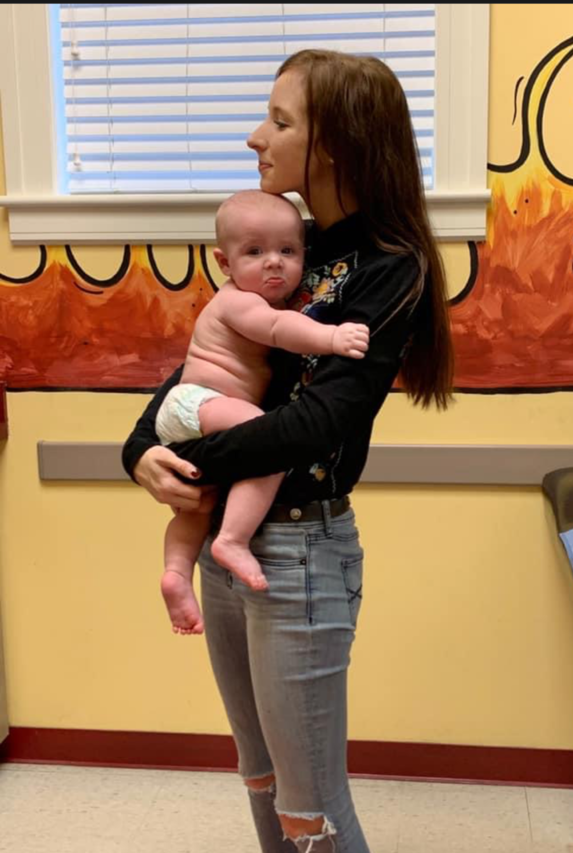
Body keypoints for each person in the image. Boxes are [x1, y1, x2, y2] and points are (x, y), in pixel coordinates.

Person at [123, 49, 453, 853]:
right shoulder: (285, 243)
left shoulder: (389, 270)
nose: (254, 138)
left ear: (333, 143)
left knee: (311, 810)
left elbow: (316, 423)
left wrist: (194, 460)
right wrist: (137, 451)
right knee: (262, 778)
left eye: (278, 121)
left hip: (300, 555)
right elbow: (206, 363)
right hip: (227, 547)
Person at [156, 189, 369, 635]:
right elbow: (276, 328)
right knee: (269, 443)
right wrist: (333, 338)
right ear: (224, 263)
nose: (274, 262)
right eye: (255, 252)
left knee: (198, 504)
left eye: (287, 251)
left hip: (194, 412)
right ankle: (232, 540)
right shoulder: (238, 301)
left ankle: (176, 573)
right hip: (199, 402)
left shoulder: (257, 295)